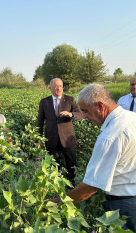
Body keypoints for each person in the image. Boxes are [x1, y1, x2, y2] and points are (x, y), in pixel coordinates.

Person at [49, 84, 136, 231]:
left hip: (124, 205)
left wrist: (55, 204)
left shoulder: (110, 137)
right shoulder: (131, 118)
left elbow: (90, 187)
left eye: (86, 111)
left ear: (100, 106)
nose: (84, 116)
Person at [37, 78, 84, 184]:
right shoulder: (44, 102)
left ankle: (72, 186)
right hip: (51, 139)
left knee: (71, 165)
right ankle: (56, 188)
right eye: (55, 86)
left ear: (63, 87)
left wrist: (71, 114)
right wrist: (38, 138)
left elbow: (80, 114)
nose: (58, 88)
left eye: (60, 86)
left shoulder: (70, 100)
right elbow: (40, 121)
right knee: (54, 166)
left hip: (67, 138)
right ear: (50, 88)